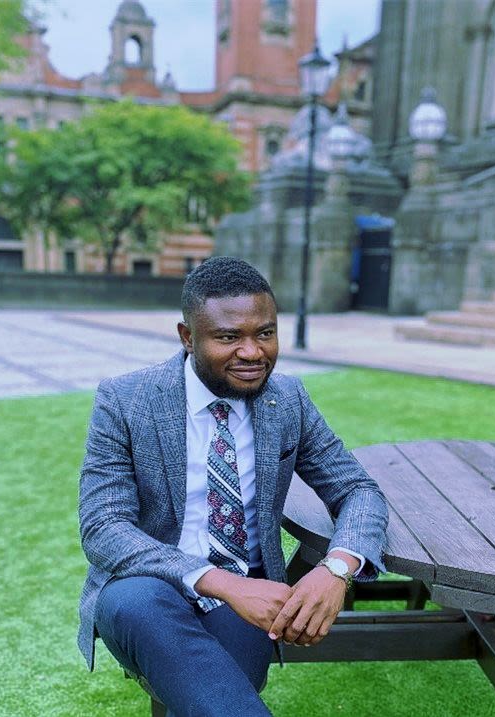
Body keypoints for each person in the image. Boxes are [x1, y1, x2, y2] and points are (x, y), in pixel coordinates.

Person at [77, 256, 388, 716]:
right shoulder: (125, 400)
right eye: (228, 337)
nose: (252, 352)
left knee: (213, 687)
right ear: (188, 337)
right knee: (136, 602)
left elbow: (358, 490)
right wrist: (220, 583)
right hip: (152, 584)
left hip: (250, 599)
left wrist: (336, 570)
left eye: (264, 333)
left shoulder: (288, 400)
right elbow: (103, 526)